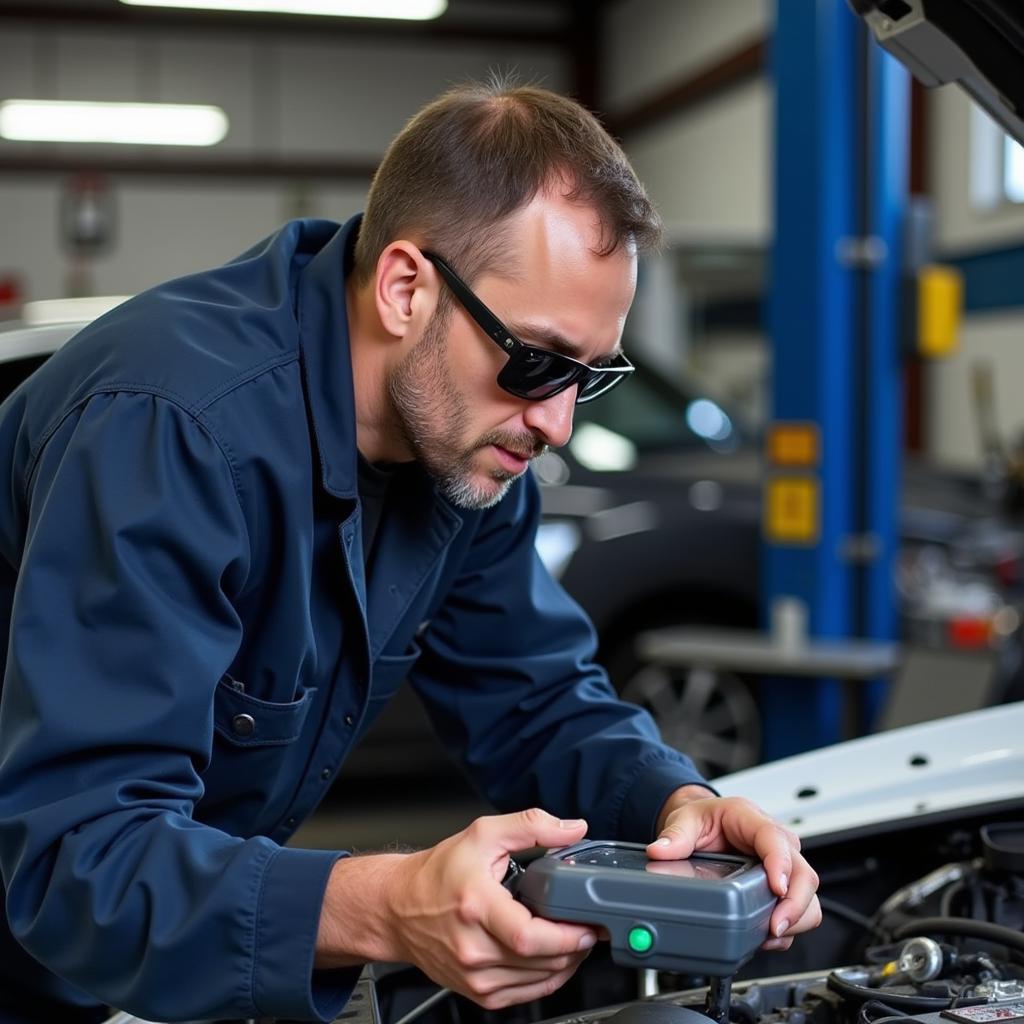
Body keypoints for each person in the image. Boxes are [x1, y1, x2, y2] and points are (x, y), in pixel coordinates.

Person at [0, 81, 820, 1024]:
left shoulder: (467, 446)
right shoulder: (170, 428)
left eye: (588, 376)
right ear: (404, 287)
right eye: (539, 360)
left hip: (114, 965)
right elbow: (80, 859)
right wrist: (386, 904)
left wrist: (676, 804)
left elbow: (536, 702)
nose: (556, 423)